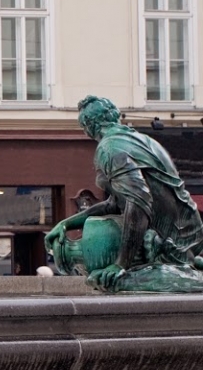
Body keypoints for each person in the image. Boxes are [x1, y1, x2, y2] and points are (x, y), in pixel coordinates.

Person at [46, 94, 203, 291]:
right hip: (187, 232)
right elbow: (114, 204)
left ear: (88, 126)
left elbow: (138, 202)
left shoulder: (110, 148)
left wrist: (121, 264)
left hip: (170, 240)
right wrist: (66, 223)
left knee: (106, 281)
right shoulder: (140, 139)